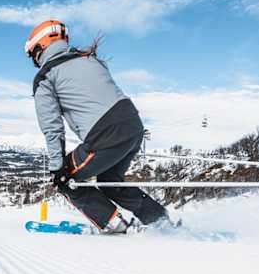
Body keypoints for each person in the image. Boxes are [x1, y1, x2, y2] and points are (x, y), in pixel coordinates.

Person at [26, 20, 168, 234]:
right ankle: (160, 222)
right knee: (110, 181)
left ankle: (116, 225)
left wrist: (58, 168)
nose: (35, 61)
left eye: (33, 55)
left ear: (40, 46)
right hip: (133, 125)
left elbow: (52, 127)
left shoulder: (46, 76)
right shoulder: (90, 59)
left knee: (66, 180)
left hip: (105, 135)